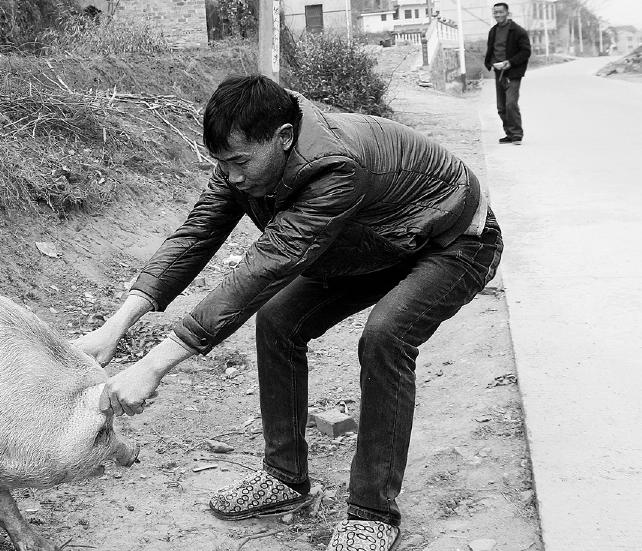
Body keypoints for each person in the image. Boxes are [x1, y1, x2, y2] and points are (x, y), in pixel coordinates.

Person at [75, 75, 503, 551]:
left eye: (239, 162)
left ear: (282, 138)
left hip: (453, 240)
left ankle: (372, 512)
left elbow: (264, 269)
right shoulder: (247, 158)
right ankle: (284, 477)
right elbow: (195, 236)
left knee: (386, 336)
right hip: (371, 241)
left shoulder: (337, 166)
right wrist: (115, 326)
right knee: (278, 321)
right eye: (223, 163)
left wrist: (153, 365)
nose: (232, 176)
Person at [483, 3, 531, 145]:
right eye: (495, 12)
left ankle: (517, 134)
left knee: (511, 104)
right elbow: (491, 49)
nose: (497, 15)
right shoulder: (493, 31)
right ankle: (509, 134)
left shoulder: (517, 31)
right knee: (501, 107)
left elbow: (525, 52)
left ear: (507, 13)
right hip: (498, 72)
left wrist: (510, 62)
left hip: (512, 72)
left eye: (500, 12)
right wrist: (490, 62)